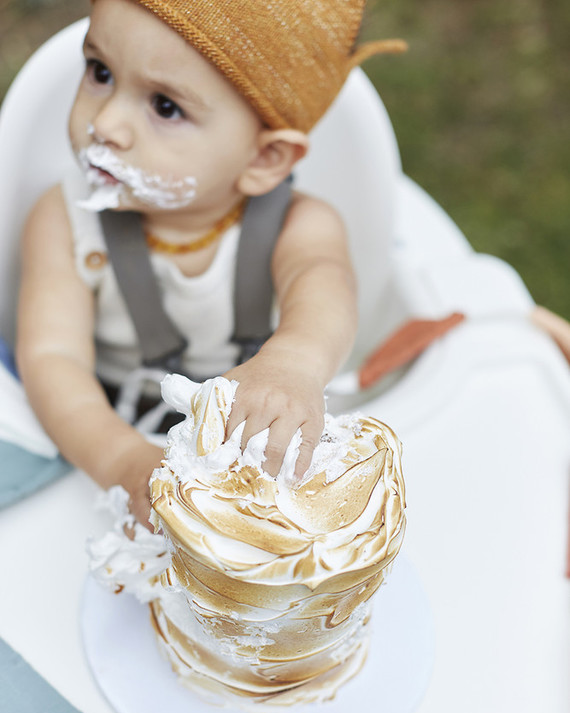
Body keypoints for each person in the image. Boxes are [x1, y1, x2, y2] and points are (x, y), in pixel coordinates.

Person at [15, 0, 404, 529]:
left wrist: (293, 364)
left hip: (257, 425)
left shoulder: (300, 227)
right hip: (112, 414)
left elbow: (324, 293)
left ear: (263, 159)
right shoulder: (65, 219)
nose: (104, 124)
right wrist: (122, 460)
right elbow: (53, 359)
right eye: (100, 72)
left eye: (165, 107)